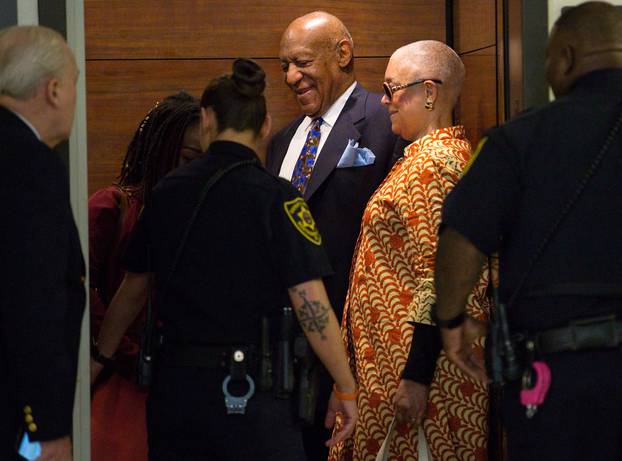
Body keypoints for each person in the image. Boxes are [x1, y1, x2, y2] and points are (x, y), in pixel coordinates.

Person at [90, 58, 357, 460]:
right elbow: (311, 304)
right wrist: (345, 387)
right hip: (257, 397)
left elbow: (132, 291)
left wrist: (100, 359)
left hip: (179, 395)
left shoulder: (167, 194)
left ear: (207, 120)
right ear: (265, 125)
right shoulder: (279, 199)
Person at [432, 2, 622, 460]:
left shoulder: (518, 139)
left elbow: (461, 233)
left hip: (560, 380)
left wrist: (452, 320)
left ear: (568, 58)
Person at [332, 41, 491, 461]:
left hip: (424, 381)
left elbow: (443, 277)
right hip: (389, 370)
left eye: (392, 88)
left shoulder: (437, 165)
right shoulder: (421, 158)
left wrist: (416, 376)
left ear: (430, 92)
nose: (383, 100)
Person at [268, 12, 406, 458]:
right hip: (279, 354)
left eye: (302, 62)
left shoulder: (386, 126)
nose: (291, 76)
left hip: (350, 346)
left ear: (342, 53)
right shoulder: (282, 140)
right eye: (284, 65)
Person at [89, 92, 201, 461]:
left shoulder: (202, 217)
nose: (194, 171)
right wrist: (123, 353)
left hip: (179, 382)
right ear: (161, 152)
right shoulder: (112, 206)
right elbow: (79, 290)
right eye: (187, 159)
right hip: (117, 382)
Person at [0, 25, 85, 461]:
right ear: (54, 90)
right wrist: (47, 427)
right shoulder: (29, 164)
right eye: (74, 84)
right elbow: (34, 301)